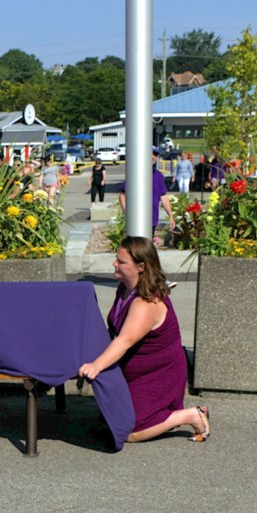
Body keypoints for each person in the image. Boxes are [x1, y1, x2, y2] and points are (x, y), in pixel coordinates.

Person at [78, 236, 210, 443]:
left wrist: (96, 366)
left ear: (140, 267)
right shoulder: (125, 288)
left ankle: (190, 415)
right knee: (110, 421)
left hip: (158, 374)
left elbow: (126, 340)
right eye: (116, 259)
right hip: (133, 370)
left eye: (121, 262)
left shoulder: (146, 303)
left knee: (128, 432)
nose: (115, 264)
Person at [118, 147, 175, 235]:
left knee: (147, 246)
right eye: (150, 154)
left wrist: (170, 215)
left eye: (155, 154)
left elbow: (163, 197)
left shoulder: (159, 176)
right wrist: (127, 213)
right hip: (136, 220)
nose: (153, 157)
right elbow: (123, 195)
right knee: (137, 246)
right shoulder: (135, 174)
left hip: (152, 220)